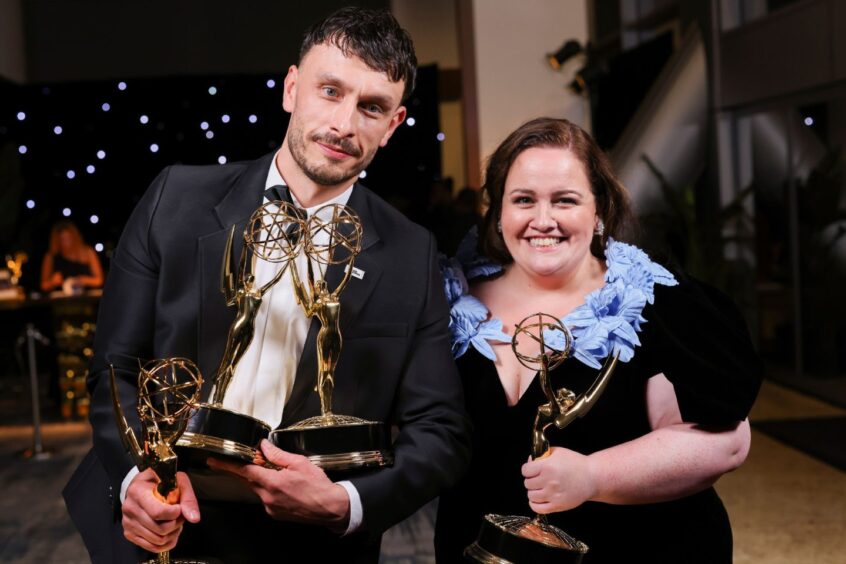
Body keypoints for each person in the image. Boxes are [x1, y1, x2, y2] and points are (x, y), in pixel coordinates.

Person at [63, 8, 470, 563]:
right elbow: (114, 368)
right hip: (165, 518)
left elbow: (440, 431)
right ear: (292, 89)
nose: (345, 125)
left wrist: (345, 503)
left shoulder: (412, 252)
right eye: (330, 91)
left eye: (370, 107)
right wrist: (136, 477)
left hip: (311, 542)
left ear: (393, 125)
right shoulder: (174, 198)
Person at [434, 117, 762, 563]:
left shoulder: (655, 303)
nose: (542, 220)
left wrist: (594, 475)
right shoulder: (448, 299)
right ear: (498, 211)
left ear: (600, 209)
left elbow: (726, 443)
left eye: (565, 200)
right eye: (523, 200)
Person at [40, 220, 104, 293]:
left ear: (75, 237)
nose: (66, 242)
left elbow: (99, 280)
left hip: (86, 298)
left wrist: (84, 280)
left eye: (68, 238)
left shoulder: (88, 252)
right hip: (61, 300)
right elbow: (43, 285)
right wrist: (52, 282)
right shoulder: (51, 256)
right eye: (62, 239)